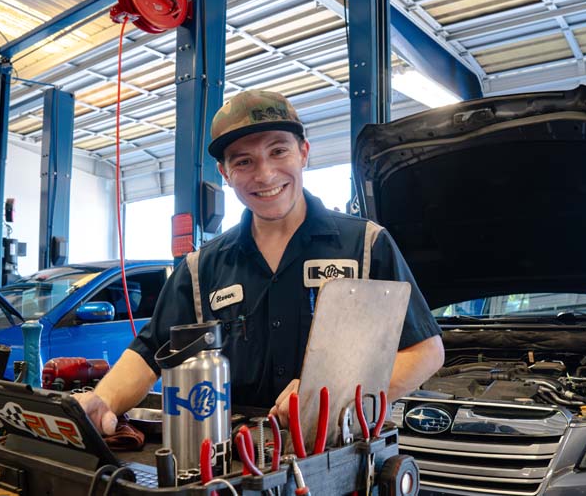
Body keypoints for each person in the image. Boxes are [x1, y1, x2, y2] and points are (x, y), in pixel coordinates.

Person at [78, 90, 444, 435]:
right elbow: (149, 354)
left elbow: (425, 352)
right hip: (235, 461)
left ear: (304, 153)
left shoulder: (365, 245)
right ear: (225, 173)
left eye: (279, 152)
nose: (265, 175)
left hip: (337, 454)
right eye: (244, 161)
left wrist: (336, 395)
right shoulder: (200, 269)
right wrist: (101, 401)